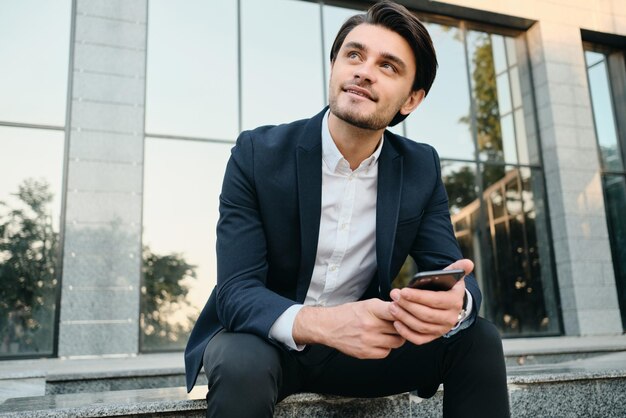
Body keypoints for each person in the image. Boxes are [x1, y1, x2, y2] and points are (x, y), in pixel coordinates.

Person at [184, 1, 510, 416]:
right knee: (241, 363)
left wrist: (455, 305)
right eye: (354, 55)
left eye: (388, 66)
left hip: (360, 349)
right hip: (264, 342)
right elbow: (236, 292)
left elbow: (452, 269)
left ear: (411, 99)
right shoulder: (257, 153)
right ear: (335, 67)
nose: (364, 70)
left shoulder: (420, 167)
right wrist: (327, 325)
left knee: (478, 338)